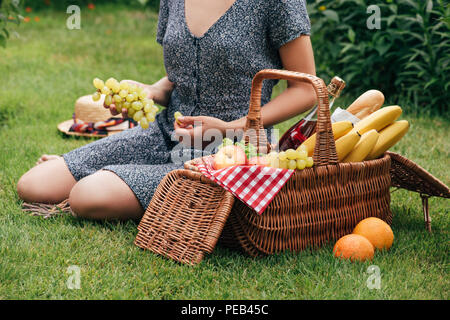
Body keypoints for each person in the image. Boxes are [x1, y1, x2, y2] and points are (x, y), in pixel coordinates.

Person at [17, 0, 317, 220]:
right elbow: (179, 76)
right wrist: (149, 91)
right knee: (34, 185)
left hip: (231, 154)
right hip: (165, 133)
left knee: (87, 196)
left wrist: (233, 127)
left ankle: (110, 181)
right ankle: (111, 177)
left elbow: (307, 89)